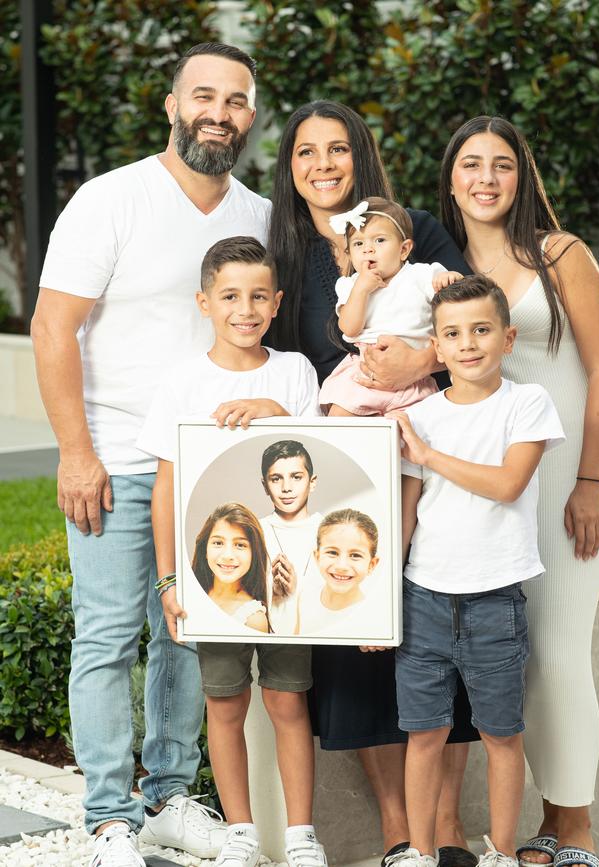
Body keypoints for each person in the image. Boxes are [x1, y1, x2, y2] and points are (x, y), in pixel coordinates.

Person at [31, 41, 273, 867]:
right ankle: (107, 815)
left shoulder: (259, 214)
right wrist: (75, 452)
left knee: (187, 636)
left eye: (235, 99)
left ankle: (170, 796)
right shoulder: (111, 200)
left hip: (213, 464)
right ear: (172, 105)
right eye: (203, 95)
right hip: (117, 455)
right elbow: (52, 326)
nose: (219, 111)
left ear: (249, 116)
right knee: (105, 637)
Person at [266, 98, 478, 867]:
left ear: (362, 156)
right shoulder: (288, 255)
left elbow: (472, 318)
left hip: (427, 446)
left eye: (337, 149)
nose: (322, 164)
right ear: (289, 169)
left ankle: (446, 826)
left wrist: (425, 361)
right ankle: (398, 832)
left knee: (433, 632)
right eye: (304, 153)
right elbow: (281, 358)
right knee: (357, 646)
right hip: (345, 466)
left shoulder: (416, 227)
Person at [438, 116, 599, 867]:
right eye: (472, 164)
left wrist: (587, 481)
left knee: (555, 650)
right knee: (509, 656)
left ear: (522, 176)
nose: (486, 177)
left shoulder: (560, 254)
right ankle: (533, 823)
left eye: (502, 164)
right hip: (484, 487)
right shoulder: (436, 269)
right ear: (450, 177)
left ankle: (571, 824)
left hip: (566, 479)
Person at [137, 236, 326, 867]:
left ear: (275, 303)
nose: (244, 309)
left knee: (286, 699)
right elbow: (166, 491)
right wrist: (169, 582)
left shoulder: (296, 371)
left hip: (285, 578)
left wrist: (275, 412)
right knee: (224, 701)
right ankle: (241, 831)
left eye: (257, 297)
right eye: (229, 296)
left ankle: (300, 835)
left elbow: (317, 457)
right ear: (204, 303)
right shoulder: (182, 383)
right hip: (212, 579)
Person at [390, 275, 565, 867]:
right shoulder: (420, 415)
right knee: (423, 735)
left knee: (500, 734)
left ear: (508, 338)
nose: (468, 344)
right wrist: (384, 596)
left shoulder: (527, 404)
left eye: (482, 330)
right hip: (423, 598)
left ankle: (501, 851)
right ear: (435, 347)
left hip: (495, 600)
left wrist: (430, 455)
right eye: (453, 334)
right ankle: (417, 851)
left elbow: (508, 484)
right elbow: (408, 510)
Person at [319, 197, 461, 416]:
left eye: (379, 240)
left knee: (417, 432)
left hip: (415, 379)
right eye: (358, 243)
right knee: (340, 418)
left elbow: (459, 298)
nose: (368, 249)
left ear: (404, 250)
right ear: (349, 255)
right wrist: (361, 290)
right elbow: (349, 328)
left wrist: (449, 278)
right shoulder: (350, 286)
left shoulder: (421, 275)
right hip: (365, 373)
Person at [259, 440, 323, 634]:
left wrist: (296, 588)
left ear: (312, 482)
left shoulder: (329, 531)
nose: (286, 487)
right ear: (265, 485)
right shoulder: (254, 530)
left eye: (296, 477)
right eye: (276, 478)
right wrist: (273, 592)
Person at [192, 504, 271, 632]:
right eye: (218, 543)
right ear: (205, 549)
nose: (228, 555)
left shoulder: (253, 618)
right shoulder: (190, 594)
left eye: (240, 545)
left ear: (254, 554)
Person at [300, 509, 380, 636]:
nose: (341, 566)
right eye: (332, 552)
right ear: (317, 556)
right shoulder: (302, 599)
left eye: (355, 555)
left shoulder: (374, 618)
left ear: (371, 564)